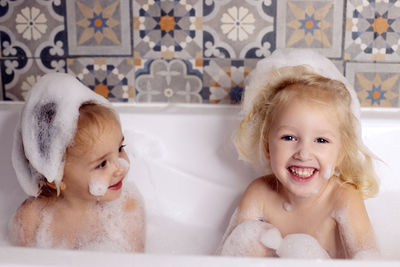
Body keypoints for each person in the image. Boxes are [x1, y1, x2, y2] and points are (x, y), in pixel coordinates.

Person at [216, 49, 379, 259]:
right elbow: (224, 258)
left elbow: (368, 260)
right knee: (254, 239)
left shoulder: (343, 199)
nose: (303, 153)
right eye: (289, 138)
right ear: (267, 147)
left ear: (340, 155)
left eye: (321, 140)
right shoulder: (259, 194)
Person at [8, 73, 145, 252]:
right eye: (102, 164)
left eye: (120, 148)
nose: (120, 167)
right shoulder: (31, 219)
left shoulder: (128, 210)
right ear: (56, 176)